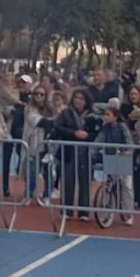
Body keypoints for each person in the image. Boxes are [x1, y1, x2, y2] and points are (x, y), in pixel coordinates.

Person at [50, 88, 100, 222]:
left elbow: (97, 132)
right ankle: (67, 210)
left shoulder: (93, 115)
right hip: (69, 151)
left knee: (85, 181)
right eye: (76, 97)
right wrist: (74, 133)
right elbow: (58, 127)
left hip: (86, 151)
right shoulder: (65, 113)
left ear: (86, 101)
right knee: (67, 180)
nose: (78, 100)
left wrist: (88, 135)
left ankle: (84, 212)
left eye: (81, 98)